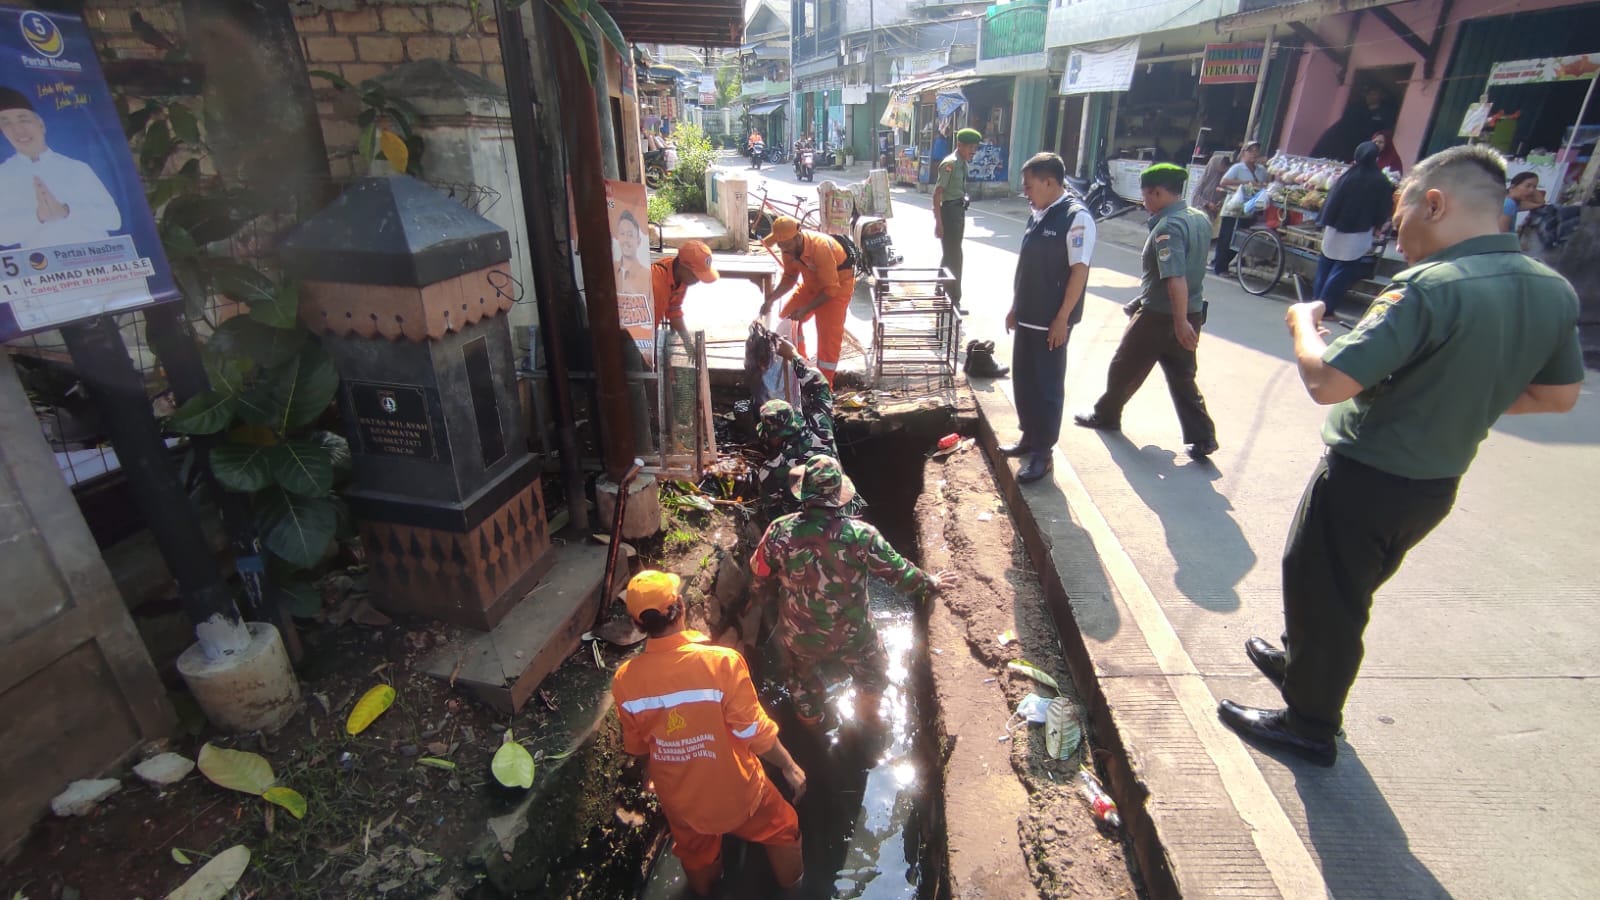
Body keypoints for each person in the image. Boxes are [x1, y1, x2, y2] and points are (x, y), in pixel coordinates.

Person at [1219, 145, 1583, 767]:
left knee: (1327, 591)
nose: (1397, 233)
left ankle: (1309, 723)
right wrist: (1460, 400)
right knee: (1342, 587)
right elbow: (1557, 395)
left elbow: (1327, 381)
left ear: (1433, 204)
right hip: (1435, 482)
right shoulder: (1551, 289)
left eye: (1400, 215)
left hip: (1367, 474)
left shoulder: (1429, 287)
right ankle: (1305, 664)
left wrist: (1304, 324)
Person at [611, 570, 808, 896]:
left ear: (637, 624)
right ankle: (794, 890)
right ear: (681, 606)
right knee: (783, 828)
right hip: (738, 794)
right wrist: (789, 766)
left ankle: (705, 893)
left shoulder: (625, 680)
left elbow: (638, 745)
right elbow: (754, 731)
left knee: (695, 853)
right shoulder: (721, 663)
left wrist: (651, 774)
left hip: (681, 801)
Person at [750, 455, 956, 730]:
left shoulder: (779, 530)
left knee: (801, 684)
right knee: (873, 678)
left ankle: (812, 726)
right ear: (839, 495)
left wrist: (766, 591)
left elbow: (759, 570)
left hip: (800, 635)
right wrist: (931, 581)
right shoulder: (861, 535)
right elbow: (901, 575)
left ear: (804, 493)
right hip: (854, 635)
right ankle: (868, 718)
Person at [1075, 164, 1219, 459]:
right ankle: (1203, 437)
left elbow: (1175, 277)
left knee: (1124, 366)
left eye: (1145, 196)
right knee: (1182, 376)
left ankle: (1106, 415)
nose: (1144, 203)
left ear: (1157, 192)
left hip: (1161, 317)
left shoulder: (1168, 229)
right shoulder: (1199, 219)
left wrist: (1178, 321)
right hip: (1190, 312)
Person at [1001, 152, 1096, 484]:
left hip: (1050, 322)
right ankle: (1029, 437)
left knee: (1047, 389)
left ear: (1050, 182)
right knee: (1024, 383)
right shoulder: (1039, 213)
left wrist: (1062, 319)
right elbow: (1028, 267)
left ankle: (1043, 453)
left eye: (1029, 186)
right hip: (1027, 316)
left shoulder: (1076, 218)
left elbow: (1078, 272)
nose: (1026, 192)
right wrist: (1016, 306)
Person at [0, 86, 121, 249]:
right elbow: (3, 236)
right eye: (6, 123)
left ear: (41, 125)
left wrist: (65, 211)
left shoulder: (77, 168)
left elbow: (113, 219)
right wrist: (38, 216)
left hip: (96, 259)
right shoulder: (3, 175)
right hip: (44, 263)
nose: (18, 130)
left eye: (23, 120)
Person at [760, 216, 854, 386]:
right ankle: (800, 367)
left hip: (837, 288)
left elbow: (831, 290)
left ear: (798, 237)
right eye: (780, 245)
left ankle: (824, 386)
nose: (783, 249)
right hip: (812, 284)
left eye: (786, 245)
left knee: (828, 339)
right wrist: (771, 299)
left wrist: (806, 309)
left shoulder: (820, 248)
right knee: (788, 319)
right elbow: (790, 277)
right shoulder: (788, 249)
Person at [1312, 141, 1395, 321]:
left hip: (1334, 229)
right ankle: (1325, 309)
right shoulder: (1380, 181)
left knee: (1325, 267)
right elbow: (1383, 207)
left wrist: (1323, 222)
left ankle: (1316, 304)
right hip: (1358, 232)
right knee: (1342, 271)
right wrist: (1378, 225)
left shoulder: (1346, 177)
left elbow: (1331, 202)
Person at [932, 128, 982, 313]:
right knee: (955, 257)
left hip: (958, 211)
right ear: (959, 145)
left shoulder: (962, 163)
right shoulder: (950, 164)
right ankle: (954, 300)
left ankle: (940, 290)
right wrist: (939, 222)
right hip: (950, 213)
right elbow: (937, 194)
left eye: (975, 147)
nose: (973, 151)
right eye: (970, 147)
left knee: (950, 254)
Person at [1211, 141, 1267, 276]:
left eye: (1256, 151)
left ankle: (1222, 262)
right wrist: (1245, 183)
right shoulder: (1237, 168)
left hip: (1249, 210)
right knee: (1226, 239)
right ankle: (1220, 267)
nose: (1254, 153)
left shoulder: (1261, 170)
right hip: (1233, 208)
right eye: (1250, 150)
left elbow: (1263, 185)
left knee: (1239, 240)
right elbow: (1224, 182)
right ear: (1244, 153)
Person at [651, 239, 718, 348]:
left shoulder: (681, 279)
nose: (698, 280)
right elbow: (645, 328)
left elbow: (674, 311)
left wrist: (687, 342)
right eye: (696, 275)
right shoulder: (656, 282)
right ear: (683, 267)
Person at [613, 210, 649, 295]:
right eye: (622, 233)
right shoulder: (611, 268)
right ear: (618, 237)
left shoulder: (646, 275)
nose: (626, 239)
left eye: (630, 235)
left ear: (638, 241)